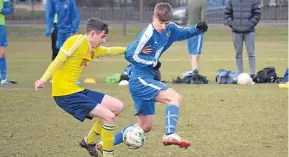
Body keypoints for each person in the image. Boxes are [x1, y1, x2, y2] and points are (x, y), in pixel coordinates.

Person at [96, 3, 208, 151]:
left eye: (166, 23)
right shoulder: (147, 34)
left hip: (146, 78)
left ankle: (106, 143)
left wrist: (197, 29)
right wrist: (152, 62)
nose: (163, 26)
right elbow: (130, 54)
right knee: (174, 97)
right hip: (139, 78)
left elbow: (184, 33)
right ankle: (170, 134)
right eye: (160, 22)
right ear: (153, 17)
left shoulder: (170, 29)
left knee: (145, 126)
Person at [35, 18, 128, 157]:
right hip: (64, 94)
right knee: (108, 117)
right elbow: (58, 60)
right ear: (92, 34)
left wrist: (134, 49)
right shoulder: (77, 41)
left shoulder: (93, 49)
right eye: (102, 37)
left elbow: (110, 50)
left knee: (117, 107)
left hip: (75, 90)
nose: (103, 40)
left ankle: (88, 141)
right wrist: (43, 79)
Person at [224, 0, 261, 78]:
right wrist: (232, 24)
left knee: (251, 54)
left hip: (249, 31)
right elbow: (227, 13)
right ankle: (239, 74)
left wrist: (250, 24)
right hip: (236, 32)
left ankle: (252, 74)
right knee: (238, 54)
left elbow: (257, 14)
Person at [186, 0, 208, 75]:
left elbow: (186, 15)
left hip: (188, 29)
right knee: (196, 53)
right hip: (197, 30)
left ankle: (193, 70)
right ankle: (195, 72)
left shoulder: (190, 1)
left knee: (191, 53)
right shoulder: (203, 2)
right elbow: (203, 19)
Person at [0, 0, 16, 84]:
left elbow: (9, 10)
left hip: (1, 27)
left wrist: (1, 10)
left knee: (1, 52)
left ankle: (3, 78)